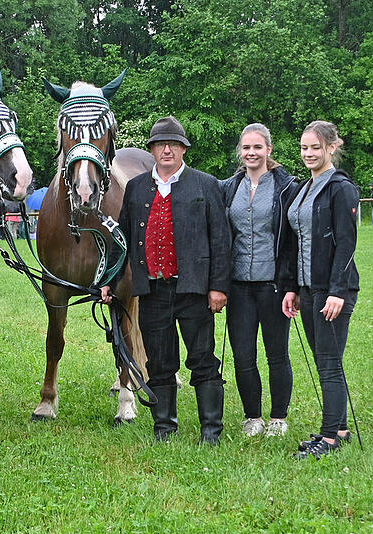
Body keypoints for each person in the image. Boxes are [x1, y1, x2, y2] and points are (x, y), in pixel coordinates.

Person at [100, 116, 231, 444]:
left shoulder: (205, 185)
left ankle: (211, 431)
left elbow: (221, 240)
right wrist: (109, 280)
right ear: (153, 150)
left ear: (184, 149)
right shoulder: (137, 188)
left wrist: (218, 287)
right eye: (161, 145)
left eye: (173, 144)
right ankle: (164, 428)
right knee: (159, 362)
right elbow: (123, 240)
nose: (167, 150)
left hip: (193, 289)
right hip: (153, 290)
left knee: (202, 360)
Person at [280, 120, 358, 460]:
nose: (309, 153)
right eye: (304, 147)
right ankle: (340, 429)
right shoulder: (303, 188)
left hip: (333, 291)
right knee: (325, 359)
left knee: (329, 362)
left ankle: (328, 439)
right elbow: (296, 242)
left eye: (315, 147)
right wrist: (293, 288)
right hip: (308, 288)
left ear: (332, 147)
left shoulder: (340, 188)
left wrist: (337, 291)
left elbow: (346, 243)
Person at [220, 123, 298, 437]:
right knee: (243, 355)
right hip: (238, 285)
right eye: (246, 148)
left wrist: (291, 285)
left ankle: (278, 418)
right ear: (240, 151)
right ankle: (253, 417)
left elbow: (292, 241)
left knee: (277, 354)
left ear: (268, 150)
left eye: (257, 147)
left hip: (273, 285)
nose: (251, 153)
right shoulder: (229, 187)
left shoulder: (286, 188)